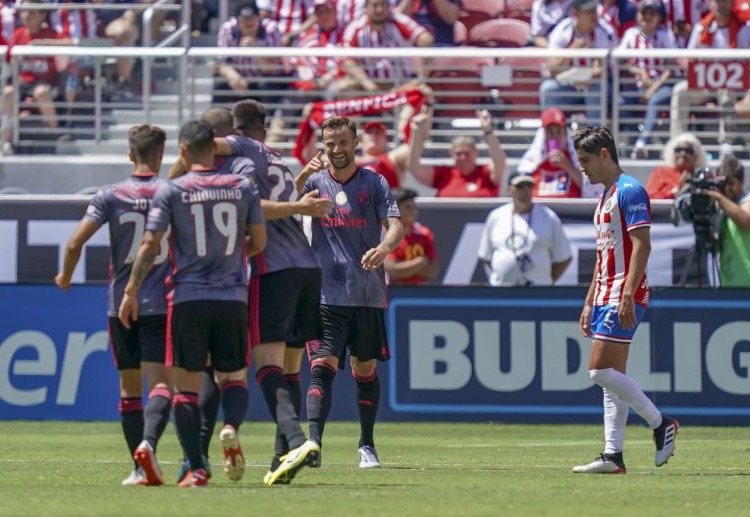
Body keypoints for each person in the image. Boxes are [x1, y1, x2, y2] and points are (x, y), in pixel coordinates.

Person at [119, 120, 267, 487]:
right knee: (232, 376)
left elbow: (150, 244)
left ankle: (197, 467)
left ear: (183, 151)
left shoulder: (173, 190)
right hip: (232, 296)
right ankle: (230, 427)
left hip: (187, 298)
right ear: (214, 148)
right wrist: (231, 260)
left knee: (184, 387)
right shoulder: (242, 187)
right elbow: (260, 242)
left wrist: (130, 291)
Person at [216, 99, 328, 486]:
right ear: (264, 129)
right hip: (307, 268)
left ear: (238, 131)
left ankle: (297, 440)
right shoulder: (277, 160)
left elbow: (254, 205)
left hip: (275, 269)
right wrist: (297, 203)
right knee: (291, 370)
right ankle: (280, 458)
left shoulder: (244, 154)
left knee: (266, 366)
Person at [55, 124, 172, 487]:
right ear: (160, 155)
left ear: (129, 154)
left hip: (120, 301)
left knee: (129, 388)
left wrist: (65, 276)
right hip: (162, 300)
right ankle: (152, 447)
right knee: (163, 386)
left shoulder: (110, 194)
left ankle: (139, 468)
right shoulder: (173, 192)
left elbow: (75, 243)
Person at [294, 116, 403, 469]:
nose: (337, 149)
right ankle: (313, 444)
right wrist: (299, 176)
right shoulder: (313, 181)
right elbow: (283, 203)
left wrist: (384, 248)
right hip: (325, 294)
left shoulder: (373, 182)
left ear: (355, 142)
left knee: (365, 368)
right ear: (322, 146)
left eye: (343, 142)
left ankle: (367, 445)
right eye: (330, 143)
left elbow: (396, 227)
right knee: (321, 367)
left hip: (368, 293)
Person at [572, 125, 678, 474]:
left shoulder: (630, 191)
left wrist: (629, 293)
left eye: (586, 160)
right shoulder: (605, 196)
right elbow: (604, 255)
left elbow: (642, 245)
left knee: (598, 369)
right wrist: (589, 301)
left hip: (623, 291)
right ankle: (613, 456)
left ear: (605, 154)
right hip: (605, 291)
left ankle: (661, 422)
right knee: (611, 374)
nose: (582, 168)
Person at [478, 171, 572, 286]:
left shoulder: (548, 216)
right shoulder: (496, 216)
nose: (525, 190)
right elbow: (485, 256)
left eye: (529, 185)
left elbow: (564, 256)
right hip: (502, 292)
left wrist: (546, 281)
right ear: (509, 190)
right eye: (520, 186)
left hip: (537, 292)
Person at [539, 0, 617, 125]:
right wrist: (572, 50)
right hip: (568, 83)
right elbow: (553, 68)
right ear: (576, 13)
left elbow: (604, 69)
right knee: (548, 89)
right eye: (588, 11)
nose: (593, 15)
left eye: (594, 10)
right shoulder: (562, 30)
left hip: (596, 83)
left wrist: (589, 75)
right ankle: (553, 137)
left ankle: (594, 140)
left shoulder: (605, 32)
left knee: (596, 90)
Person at [618, 0, 677, 160]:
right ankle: (635, 136)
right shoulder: (631, 34)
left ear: (658, 17)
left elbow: (672, 67)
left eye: (652, 13)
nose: (647, 17)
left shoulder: (665, 35)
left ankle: (642, 143)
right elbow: (620, 60)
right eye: (644, 13)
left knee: (656, 101)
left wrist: (654, 86)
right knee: (620, 102)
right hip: (636, 84)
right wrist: (639, 72)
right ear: (638, 15)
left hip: (660, 84)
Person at [408, 108, 507, 197]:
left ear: (476, 153)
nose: (463, 158)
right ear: (451, 155)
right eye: (458, 154)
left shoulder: (486, 173)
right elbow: (415, 167)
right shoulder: (444, 174)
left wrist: (488, 131)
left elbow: (500, 162)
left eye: (467, 153)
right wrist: (416, 132)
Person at [702, 155, 750, 286]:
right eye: (723, 183)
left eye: (731, 183)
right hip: (729, 281)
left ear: (742, 182)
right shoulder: (721, 207)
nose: (727, 188)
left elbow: (746, 221)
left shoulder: (747, 200)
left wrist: (718, 197)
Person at [516, 107, 585, 198]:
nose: (555, 136)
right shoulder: (533, 164)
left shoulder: (577, 161)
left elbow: (588, 188)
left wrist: (567, 165)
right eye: (551, 132)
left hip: (570, 211)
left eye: (559, 132)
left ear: (565, 135)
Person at [385, 187, 438, 284]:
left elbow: (433, 271)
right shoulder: (387, 234)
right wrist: (420, 263)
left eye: (414, 207)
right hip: (393, 292)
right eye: (407, 207)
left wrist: (403, 267)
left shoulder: (424, 233)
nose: (413, 211)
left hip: (419, 292)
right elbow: (393, 271)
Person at [645, 132, 708, 199]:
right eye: (678, 150)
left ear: (696, 155)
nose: (683, 154)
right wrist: (677, 190)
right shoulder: (661, 173)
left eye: (688, 150)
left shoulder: (704, 174)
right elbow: (650, 197)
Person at [357, 121, 410, 189]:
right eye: (369, 132)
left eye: (378, 132)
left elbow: (410, 146)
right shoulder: (350, 162)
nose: (373, 134)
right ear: (361, 140)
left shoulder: (393, 159)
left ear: (386, 141)